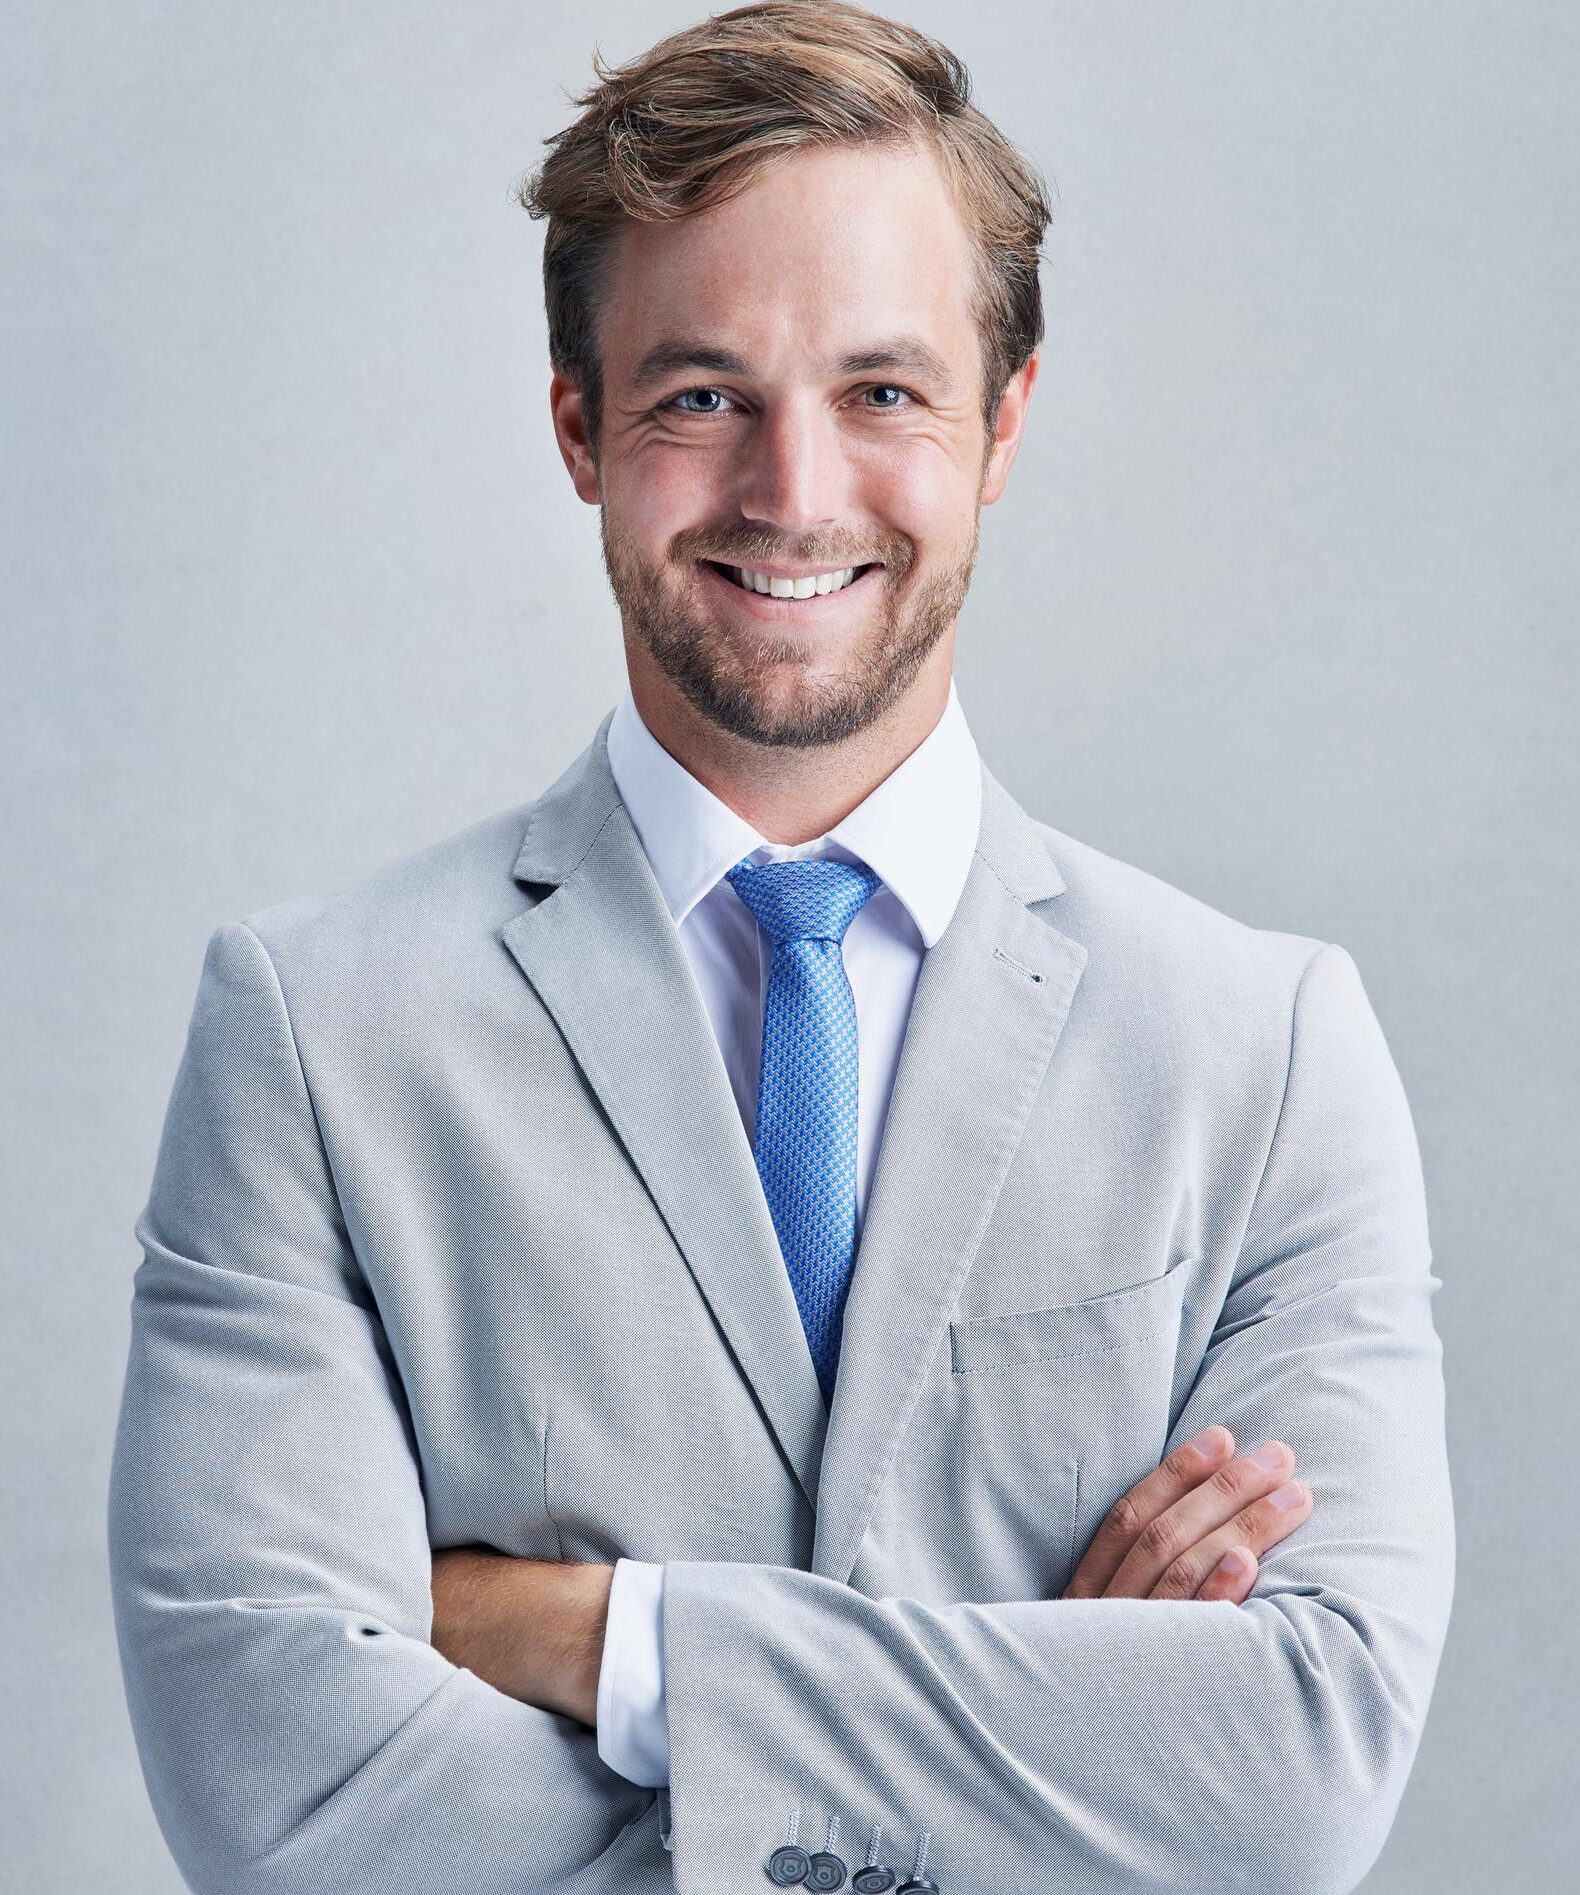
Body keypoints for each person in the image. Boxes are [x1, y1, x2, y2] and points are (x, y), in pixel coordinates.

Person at [107, 4, 1454, 1891]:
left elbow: (1299, 1775)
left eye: (885, 391)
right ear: (580, 428)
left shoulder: (1266, 1053)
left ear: (1006, 423)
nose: (794, 492)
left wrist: (596, 1638)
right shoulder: (319, 1037)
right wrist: (1060, 1736)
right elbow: (286, 1799)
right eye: (699, 395)